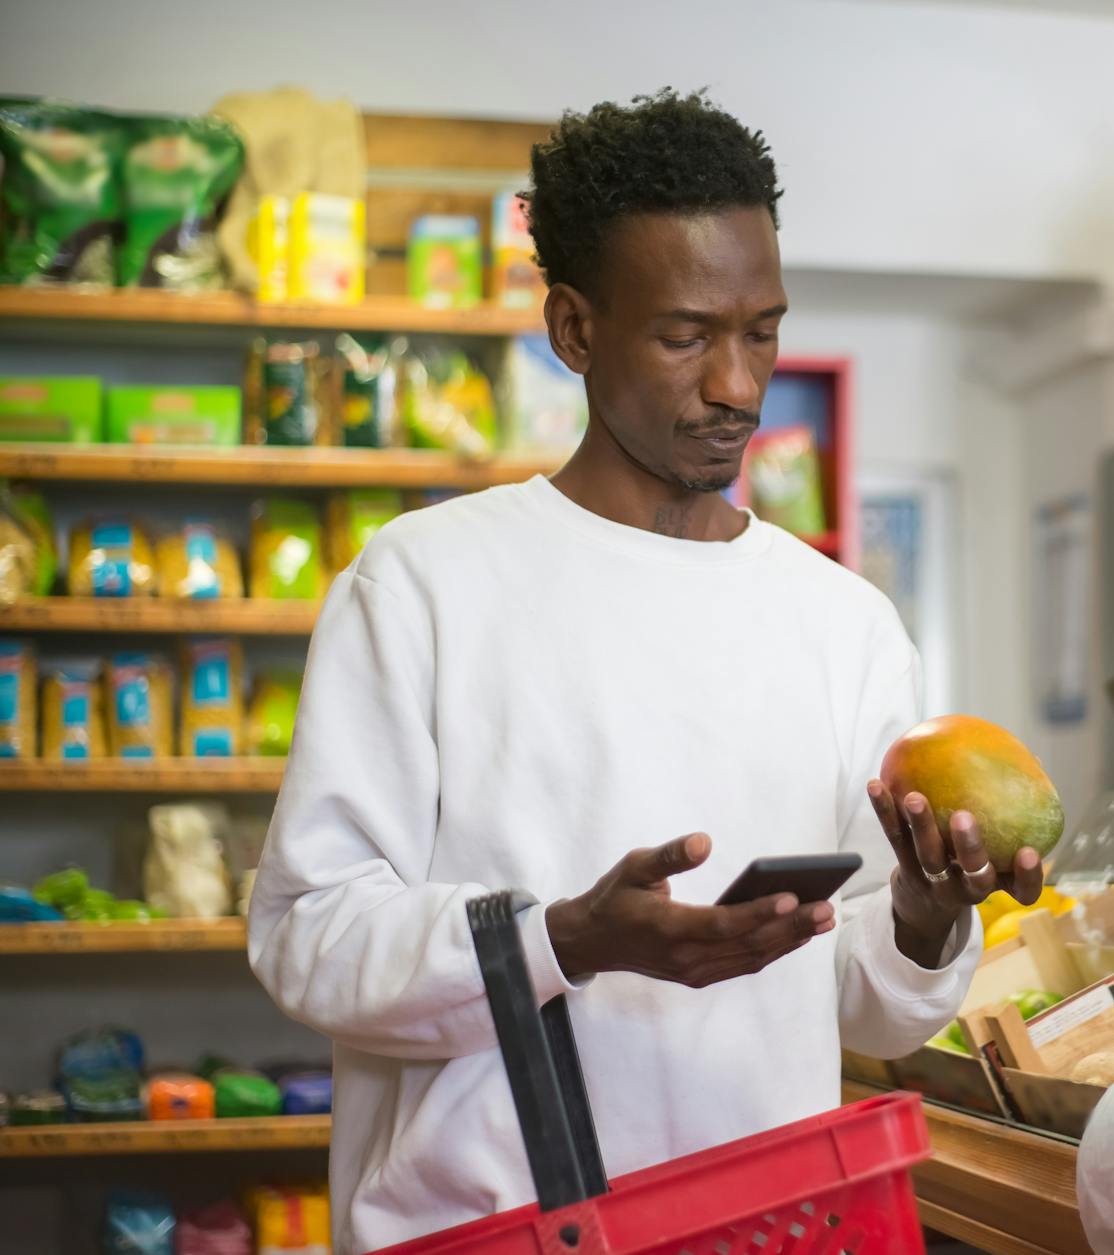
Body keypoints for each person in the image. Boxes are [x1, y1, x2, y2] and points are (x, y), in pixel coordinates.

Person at [248, 90, 1045, 1253]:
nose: (736, 384)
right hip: (489, 1227)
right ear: (573, 330)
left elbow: (867, 997)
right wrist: (565, 939)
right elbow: (307, 934)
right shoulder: (421, 583)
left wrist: (925, 917)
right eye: (687, 335)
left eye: (761, 330)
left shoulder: (842, 620)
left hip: (770, 1222)